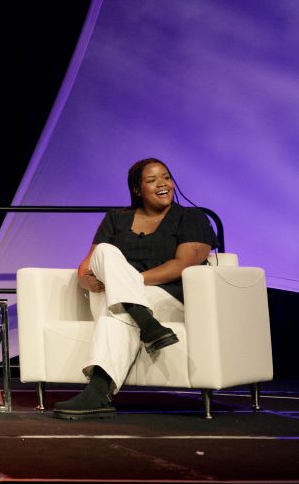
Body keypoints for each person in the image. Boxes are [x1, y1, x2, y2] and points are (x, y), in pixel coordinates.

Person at [52, 157, 217, 420]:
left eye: (166, 177)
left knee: (113, 309)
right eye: (152, 180)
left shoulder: (190, 217)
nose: (163, 184)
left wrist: (125, 281)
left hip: (166, 296)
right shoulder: (116, 218)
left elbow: (184, 264)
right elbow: (89, 263)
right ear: (138, 189)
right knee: (106, 251)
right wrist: (84, 280)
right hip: (118, 297)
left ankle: (97, 392)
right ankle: (146, 324)